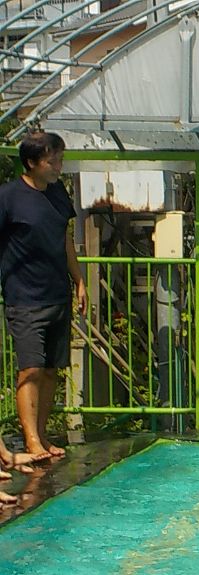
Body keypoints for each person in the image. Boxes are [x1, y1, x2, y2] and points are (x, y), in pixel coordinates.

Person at [0, 131, 87, 458]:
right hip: (24, 297)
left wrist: (79, 280)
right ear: (31, 162)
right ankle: (31, 440)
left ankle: (42, 434)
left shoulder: (57, 193)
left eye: (60, 160)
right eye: (53, 161)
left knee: (51, 369)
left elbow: (65, 238)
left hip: (57, 294)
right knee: (31, 368)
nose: (58, 167)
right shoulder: (8, 197)